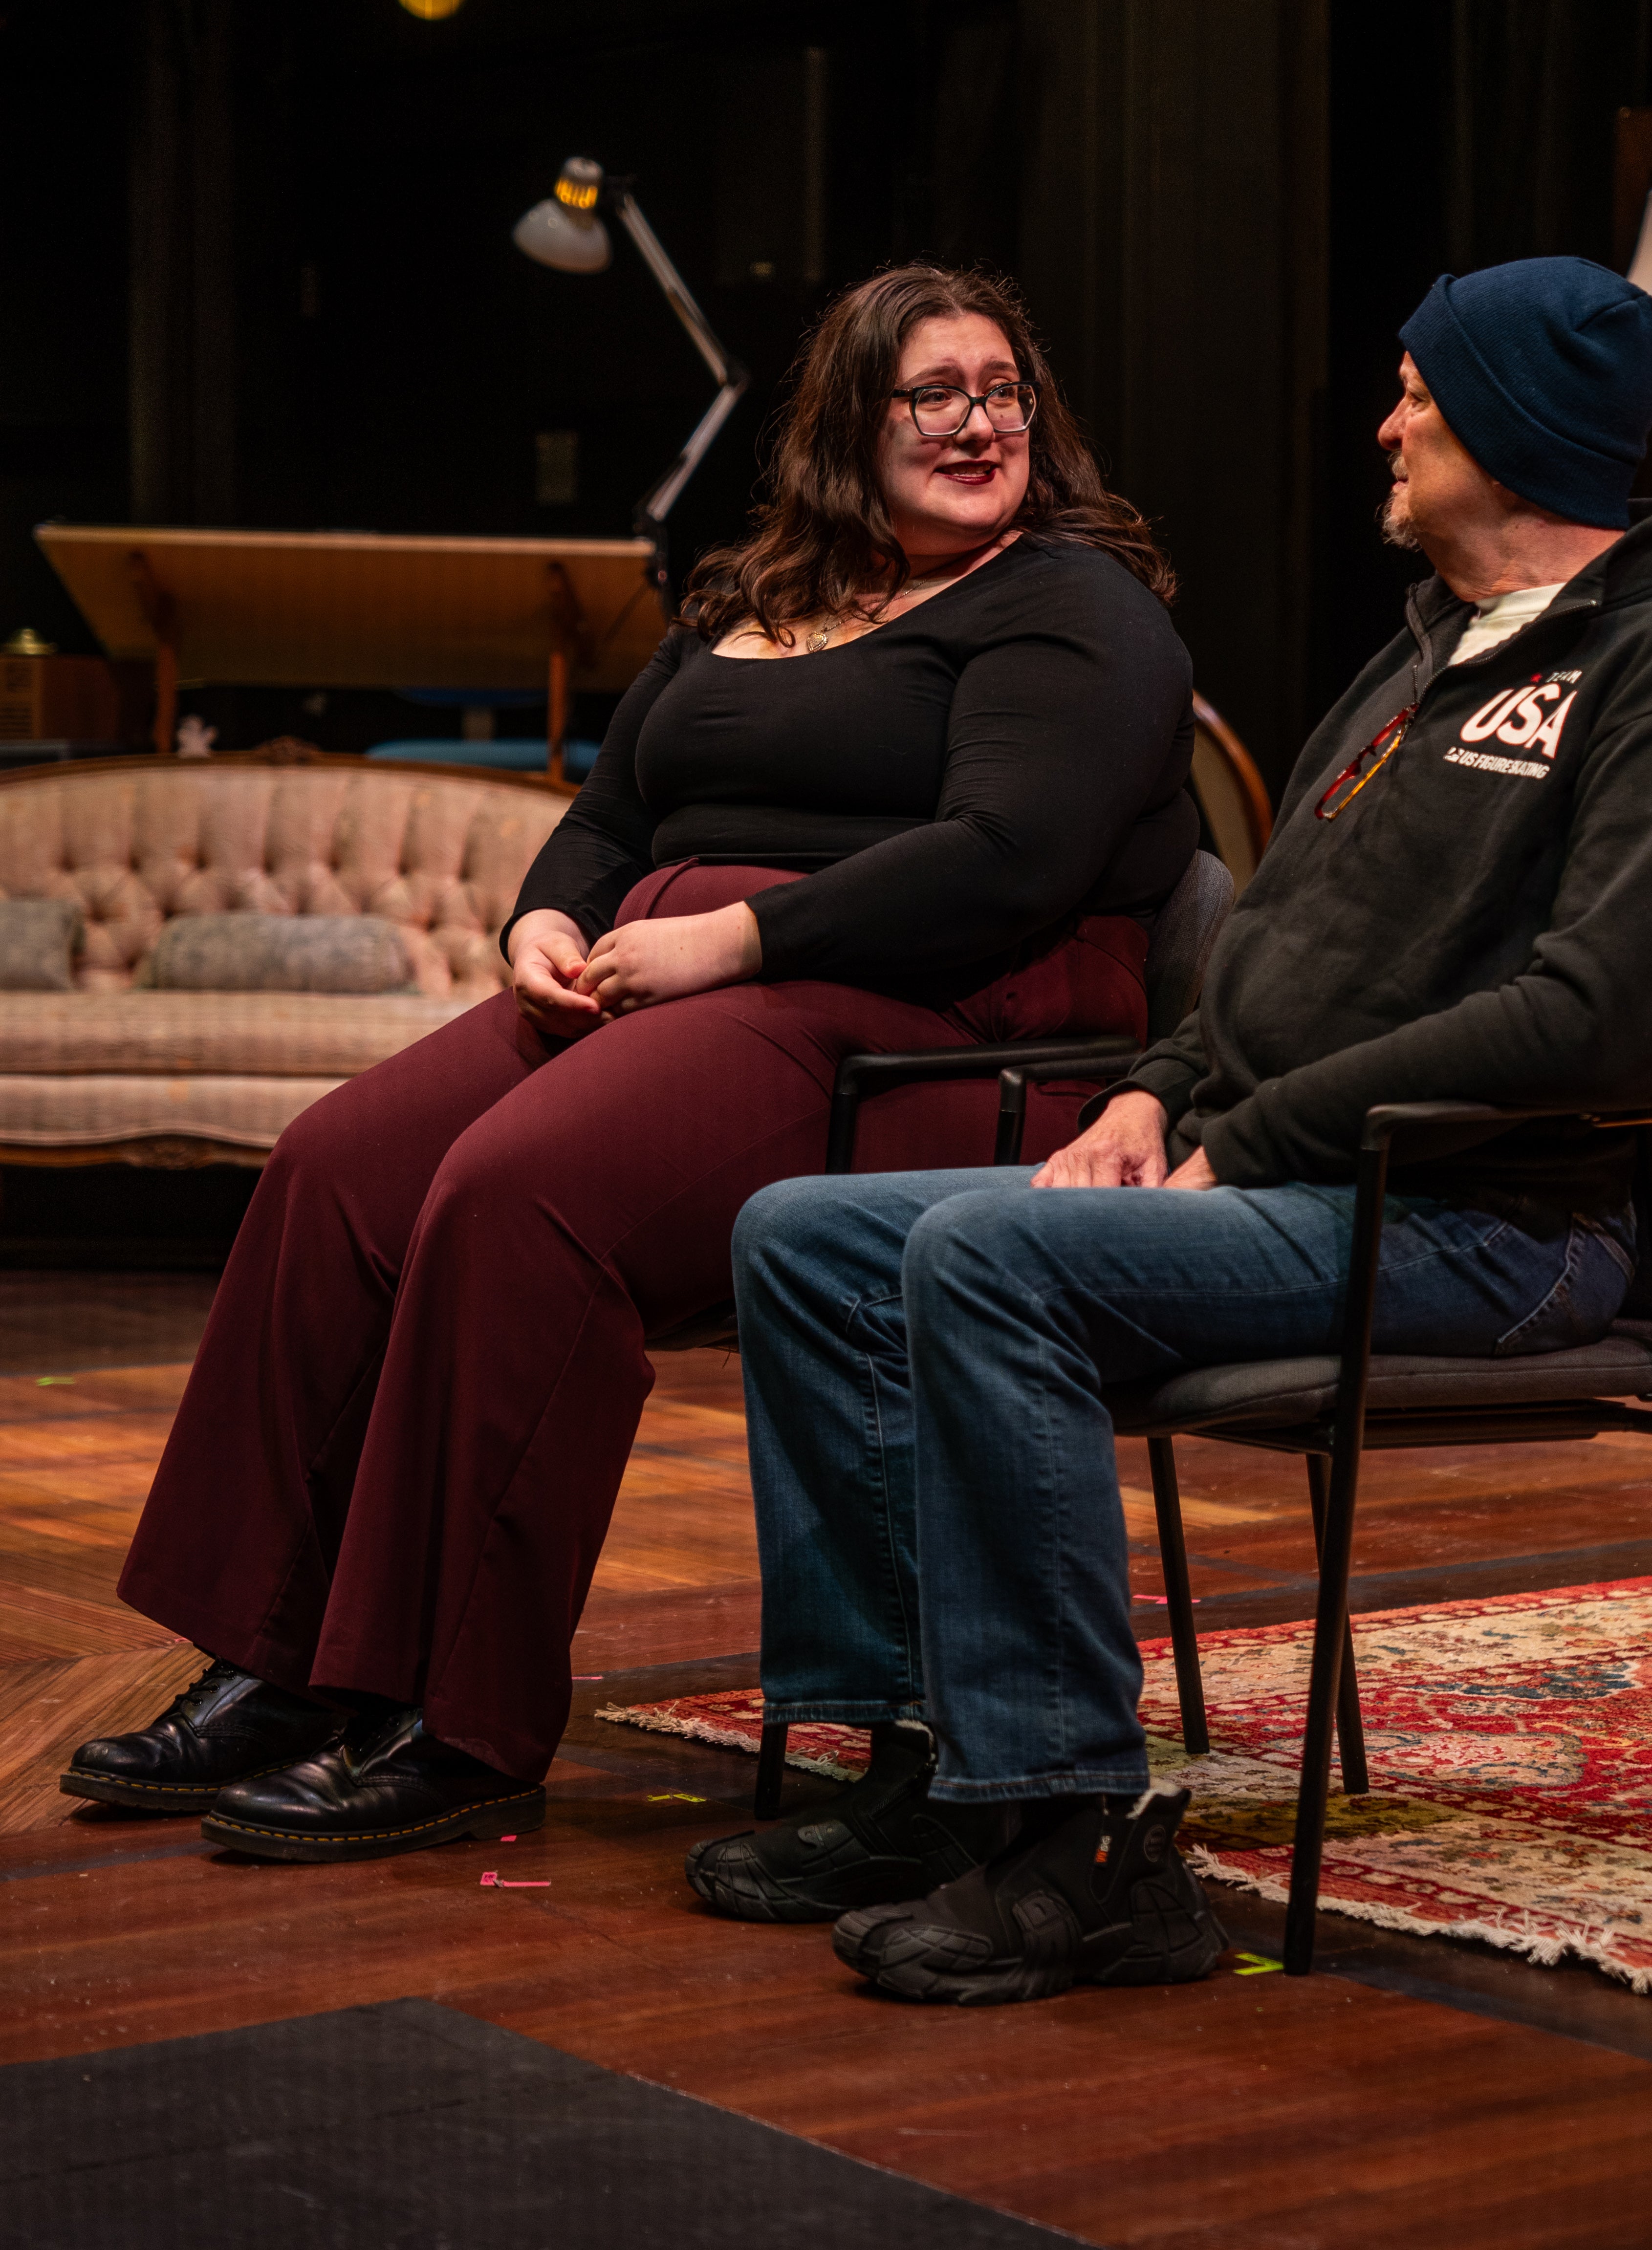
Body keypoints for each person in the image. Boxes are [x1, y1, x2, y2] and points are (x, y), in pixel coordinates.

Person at [690, 253, 1652, 2006]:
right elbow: (1272, 966)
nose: (1387, 425)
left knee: (991, 1259)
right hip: (1324, 1174)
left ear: (1507, 442)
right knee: (805, 1237)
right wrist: (1155, 1093)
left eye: (1420, 402)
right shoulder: (1413, 673)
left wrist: (1259, 1132)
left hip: (1509, 1229)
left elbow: (1603, 1018)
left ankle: (1076, 1847)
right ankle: (928, 1767)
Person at [67, 265, 1198, 1860]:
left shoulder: (1070, 605)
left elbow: (1007, 859)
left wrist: (734, 939)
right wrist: (545, 920)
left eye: (1003, 390)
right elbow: (612, 815)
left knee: (526, 1193)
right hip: (669, 982)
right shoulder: (756, 595)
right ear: (848, 426)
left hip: (932, 1015)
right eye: (932, 393)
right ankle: (273, 1656)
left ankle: (451, 1712)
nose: (977, 422)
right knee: (338, 1168)